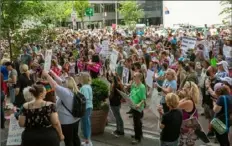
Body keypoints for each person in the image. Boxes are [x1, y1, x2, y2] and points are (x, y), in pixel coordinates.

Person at [43, 70, 81, 146]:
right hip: (76, 119)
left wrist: (47, 76)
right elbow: (59, 81)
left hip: (67, 122)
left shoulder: (65, 93)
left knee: (68, 140)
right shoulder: (75, 90)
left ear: (66, 84)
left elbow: (54, 85)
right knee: (75, 137)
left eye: (64, 82)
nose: (62, 82)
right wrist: (52, 73)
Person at [177, 81, 199, 146]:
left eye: (184, 87)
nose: (183, 88)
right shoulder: (189, 99)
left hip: (187, 132)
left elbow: (175, 106)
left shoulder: (188, 102)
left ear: (188, 89)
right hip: (188, 130)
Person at [130, 72, 146, 144]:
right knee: (138, 122)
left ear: (139, 78)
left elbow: (143, 99)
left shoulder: (142, 87)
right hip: (133, 106)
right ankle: (139, 134)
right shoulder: (134, 85)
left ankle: (137, 138)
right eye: (133, 76)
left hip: (138, 107)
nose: (133, 77)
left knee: (136, 123)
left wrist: (139, 104)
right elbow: (131, 93)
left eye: (135, 76)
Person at [108, 73, 125, 137]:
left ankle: (121, 131)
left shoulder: (116, 85)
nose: (109, 78)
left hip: (115, 103)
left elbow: (113, 94)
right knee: (117, 116)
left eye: (110, 77)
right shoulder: (117, 84)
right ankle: (118, 129)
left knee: (118, 116)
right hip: (115, 102)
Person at [79, 72, 93, 146]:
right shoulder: (87, 86)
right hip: (88, 106)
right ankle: (87, 140)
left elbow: (85, 98)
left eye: (80, 77)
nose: (79, 78)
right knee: (86, 123)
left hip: (86, 107)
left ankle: (87, 141)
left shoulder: (84, 87)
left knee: (85, 124)